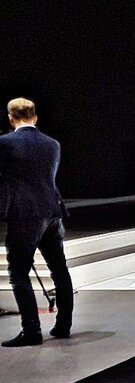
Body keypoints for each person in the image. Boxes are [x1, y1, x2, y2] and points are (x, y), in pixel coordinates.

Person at [0, 97, 72, 347]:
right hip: (53, 212)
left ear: (11, 118)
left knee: (18, 273)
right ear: (35, 117)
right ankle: (63, 326)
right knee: (59, 270)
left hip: (25, 215)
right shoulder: (53, 144)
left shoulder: (5, 143)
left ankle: (31, 332)